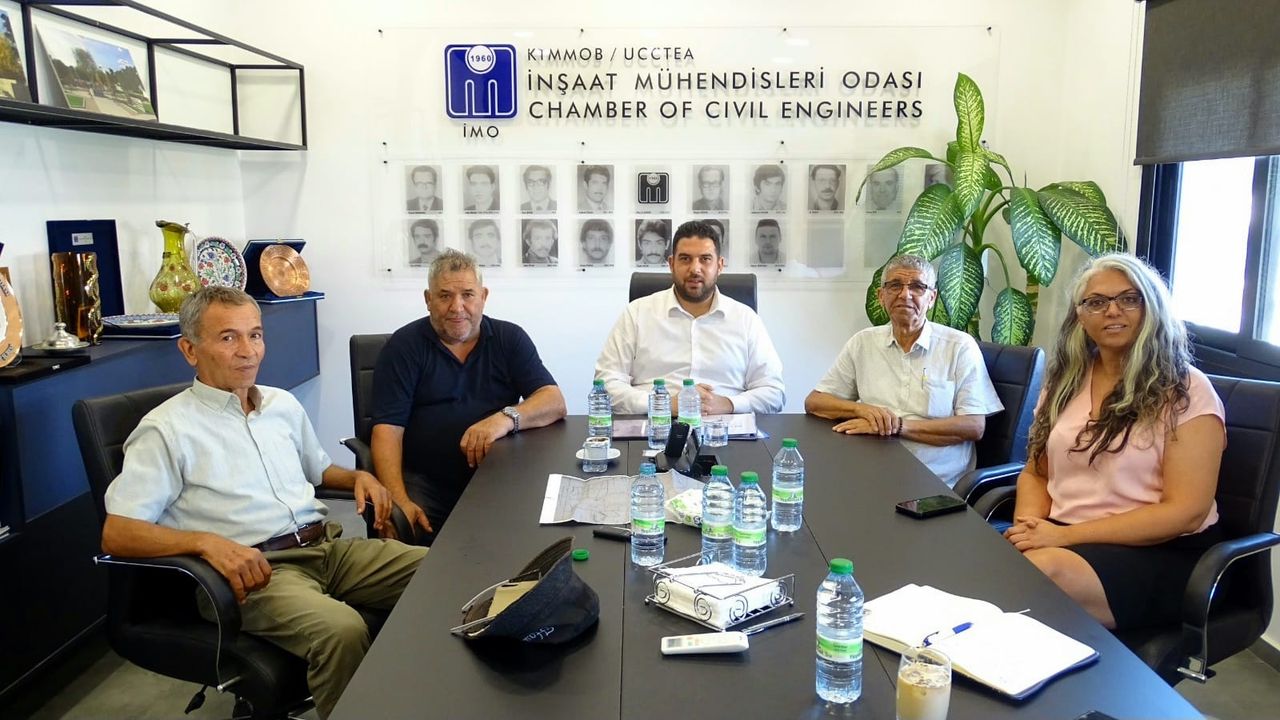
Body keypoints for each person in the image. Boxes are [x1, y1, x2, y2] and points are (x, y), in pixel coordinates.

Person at [101, 287, 427, 720]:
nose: (248, 351)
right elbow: (118, 532)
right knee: (342, 631)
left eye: (255, 335)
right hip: (255, 576)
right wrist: (205, 543)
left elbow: (319, 472)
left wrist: (359, 477)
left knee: (440, 574)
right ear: (189, 350)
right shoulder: (166, 430)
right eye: (228, 337)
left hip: (326, 549)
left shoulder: (281, 405)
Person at [1003, 253, 1225, 631]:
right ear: (1080, 316)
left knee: (1034, 577)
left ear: (1151, 308)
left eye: (1129, 298)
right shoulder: (1065, 382)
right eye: (1096, 302)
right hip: (1066, 536)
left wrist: (1063, 537)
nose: (1112, 311)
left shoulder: (1186, 390)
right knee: (997, 562)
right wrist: (1030, 529)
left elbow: (1185, 511)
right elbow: (1036, 473)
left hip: (1159, 549)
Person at [371, 250, 566, 546]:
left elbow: (553, 400)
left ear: (483, 296)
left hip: (498, 476)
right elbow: (387, 431)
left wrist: (503, 419)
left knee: (530, 537)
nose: (457, 307)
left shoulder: (509, 338)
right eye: (444, 296)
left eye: (467, 295)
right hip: (425, 480)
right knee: (412, 537)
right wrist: (399, 500)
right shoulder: (403, 347)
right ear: (428, 299)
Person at [804, 254, 1002, 486]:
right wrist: (861, 410)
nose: (905, 294)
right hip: (869, 472)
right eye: (895, 285)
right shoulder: (863, 343)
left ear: (931, 298)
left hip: (935, 483)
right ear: (881, 296)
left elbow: (974, 426)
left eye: (917, 286)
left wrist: (896, 426)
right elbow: (815, 402)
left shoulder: (959, 347)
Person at [596, 220, 785, 415]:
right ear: (671, 264)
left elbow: (773, 392)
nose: (695, 269)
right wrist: (664, 405)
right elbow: (606, 383)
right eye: (685, 259)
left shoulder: (746, 319)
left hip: (727, 426)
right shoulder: (637, 313)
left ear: (720, 265)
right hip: (655, 425)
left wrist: (728, 404)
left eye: (705, 259)